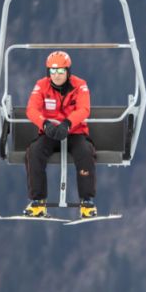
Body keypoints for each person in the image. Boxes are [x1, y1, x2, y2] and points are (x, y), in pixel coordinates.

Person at [23, 50, 96, 218]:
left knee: (85, 152)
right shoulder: (42, 85)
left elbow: (84, 109)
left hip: (74, 132)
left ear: (68, 71)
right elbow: (31, 109)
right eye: (53, 71)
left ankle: (87, 202)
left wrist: (68, 123)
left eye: (61, 71)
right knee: (34, 152)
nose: (56, 75)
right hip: (50, 132)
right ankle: (38, 202)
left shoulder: (79, 85)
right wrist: (44, 123)